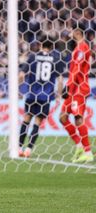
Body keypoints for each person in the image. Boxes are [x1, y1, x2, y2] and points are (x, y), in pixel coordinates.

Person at [18, 40, 64, 157]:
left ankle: (19, 147)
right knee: (37, 123)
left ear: (40, 45)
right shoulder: (55, 59)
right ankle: (28, 149)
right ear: (51, 47)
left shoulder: (33, 57)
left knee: (26, 120)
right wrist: (58, 95)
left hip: (31, 95)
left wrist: (18, 90)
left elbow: (21, 75)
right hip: (46, 97)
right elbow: (60, 80)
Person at [59, 27, 93, 163]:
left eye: (72, 31)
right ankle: (79, 145)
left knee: (78, 118)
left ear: (78, 32)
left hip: (79, 88)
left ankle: (88, 152)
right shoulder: (78, 48)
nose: (70, 33)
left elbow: (77, 70)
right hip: (73, 89)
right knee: (62, 117)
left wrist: (68, 86)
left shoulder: (82, 48)